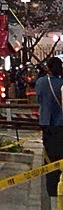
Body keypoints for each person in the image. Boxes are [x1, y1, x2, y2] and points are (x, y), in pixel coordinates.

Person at [36, 56, 63, 197]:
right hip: (61, 124)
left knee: (50, 156)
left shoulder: (41, 82)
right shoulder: (62, 84)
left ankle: (51, 188)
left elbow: (39, 99)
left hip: (46, 124)